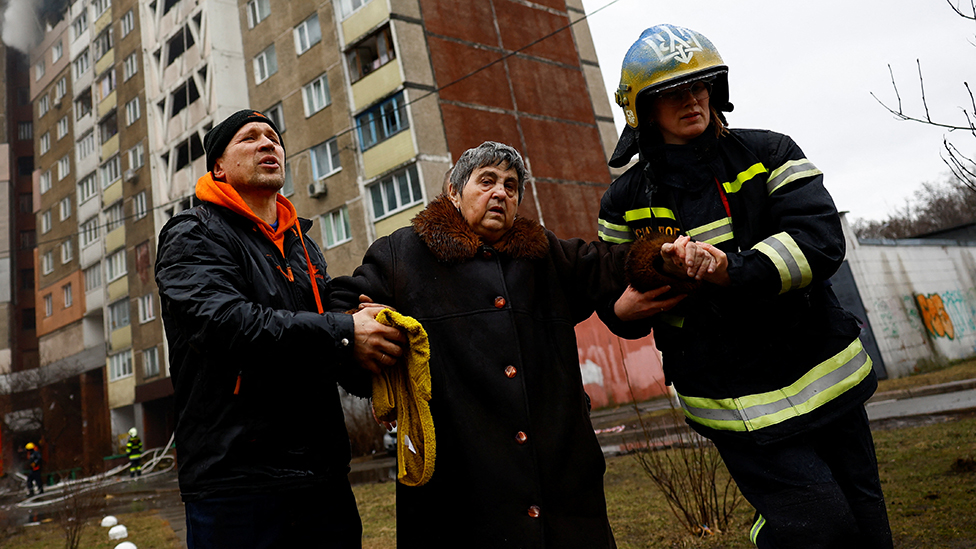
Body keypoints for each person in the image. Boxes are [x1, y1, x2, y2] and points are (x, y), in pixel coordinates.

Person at [598, 24, 893, 549]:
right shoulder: (622, 201)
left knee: (867, 528)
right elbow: (614, 290)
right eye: (672, 92)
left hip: (826, 374)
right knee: (820, 527)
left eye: (700, 85)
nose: (692, 99)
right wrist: (623, 310)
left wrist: (729, 270)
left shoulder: (770, 151)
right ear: (640, 109)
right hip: (731, 398)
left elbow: (819, 241)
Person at [331, 141, 664, 548]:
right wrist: (363, 330)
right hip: (459, 488)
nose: (501, 192)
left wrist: (663, 258)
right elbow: (342, 309)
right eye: (486, 181)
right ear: (453, 192)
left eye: (511, 185)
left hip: (560, 484)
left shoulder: (545, 253)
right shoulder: (401, 254)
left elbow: (610, 264)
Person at [155, 109, 406, 549]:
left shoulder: (301, 246)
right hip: (237, 484)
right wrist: (346, 332)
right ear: (218, 166)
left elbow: (324, 344)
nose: (268, 144)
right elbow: (226, 325)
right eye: (249, 138)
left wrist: (373, 342)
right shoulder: (193, 234)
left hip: (322, 477)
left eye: (273, 137)